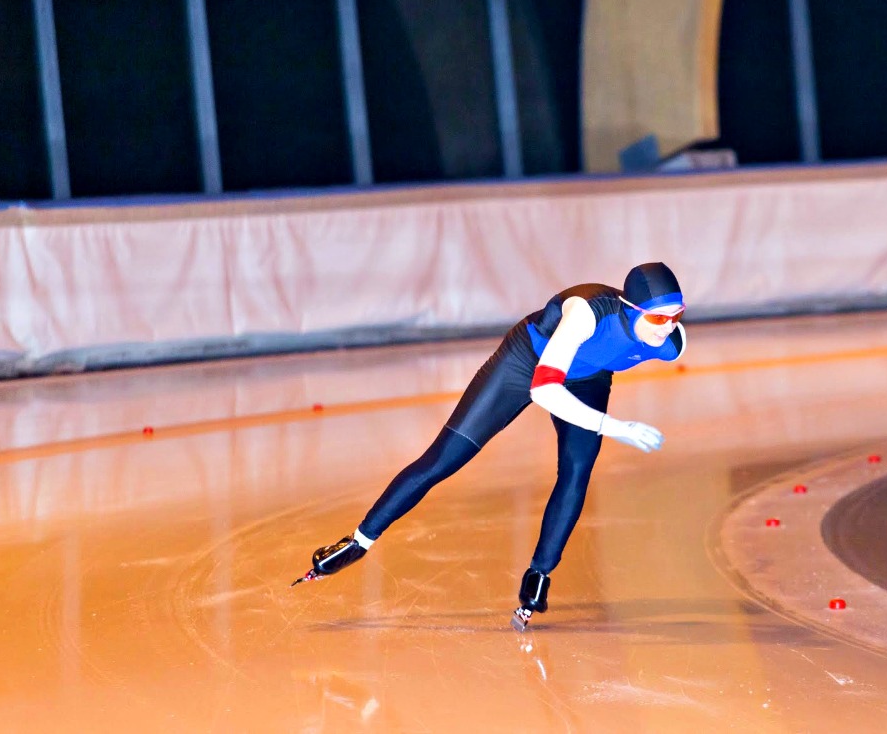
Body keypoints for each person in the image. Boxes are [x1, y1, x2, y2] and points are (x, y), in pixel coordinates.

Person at [293, 262, 687, 631]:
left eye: (677, 315)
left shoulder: (670, 343)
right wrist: (612, 426)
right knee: (444, 459)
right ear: (629, 308)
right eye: (657, 318)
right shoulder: (587, 313)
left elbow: (651, 340)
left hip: (587, 379)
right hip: (525, 362)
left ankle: (539, 575)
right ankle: (358, 541)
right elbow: (544, 389)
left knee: (577, 471)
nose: (667, 327)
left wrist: (604, 418)